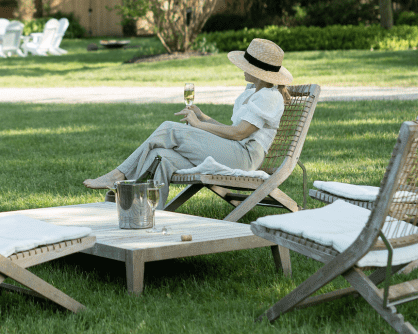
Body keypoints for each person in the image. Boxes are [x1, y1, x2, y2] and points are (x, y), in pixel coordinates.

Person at [83, 37, 293, 207]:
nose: (242, 68)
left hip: (245, 158)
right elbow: (232, 130)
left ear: (258, 71)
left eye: (245, 65)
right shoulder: (251, 92)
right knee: (160, 156)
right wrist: (204, 118)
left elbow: (239, 134)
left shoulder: (269, 96)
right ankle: (150, 212)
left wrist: (199, 125)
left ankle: (119, 176)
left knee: (168, 129)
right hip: (234, 150)